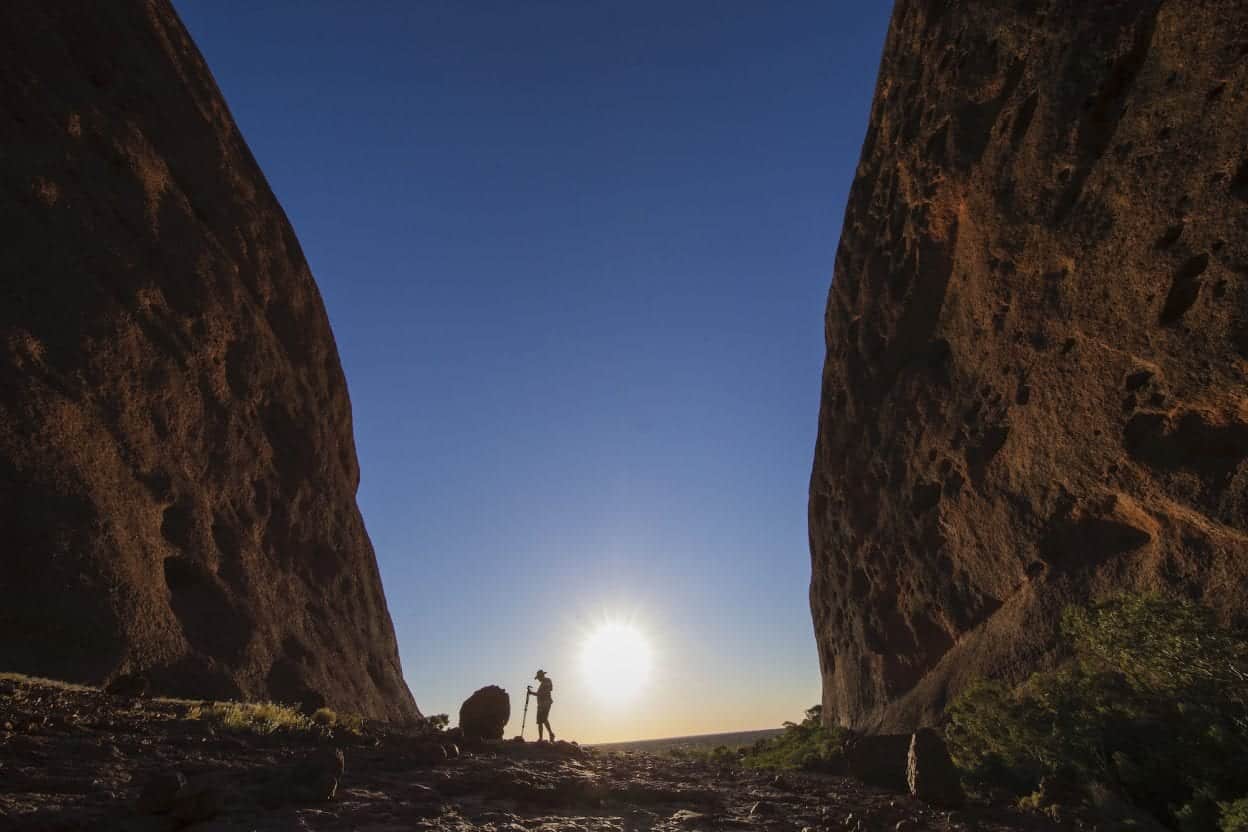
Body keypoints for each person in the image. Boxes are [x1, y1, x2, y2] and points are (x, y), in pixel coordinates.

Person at [526, 669, 555, 742]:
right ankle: (542, 737)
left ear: (541, 676)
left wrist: (534, 693)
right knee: (540, 721)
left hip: (546, 703)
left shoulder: (547, 680)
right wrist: (532, 693)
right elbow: (539, 694)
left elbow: (549, 689)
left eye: (538, 677)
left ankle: (549, 735)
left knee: (543, 719)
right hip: (540, 704)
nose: (538, 679)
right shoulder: (542, 684)